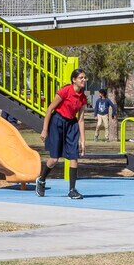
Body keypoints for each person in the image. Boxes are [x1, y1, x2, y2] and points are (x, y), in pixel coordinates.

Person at [36, 68, 88, 199]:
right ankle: (41, 179)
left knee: (73, 156)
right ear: (74, 80)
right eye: (81, 78)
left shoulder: (83, 97)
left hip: (72, 124)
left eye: (85, 78)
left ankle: (72, 190)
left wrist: (83, 140)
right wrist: (45, 129)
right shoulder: (65, 91)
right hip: (57, 122)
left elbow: (81, 119)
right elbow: (50, 109)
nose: (84, 80)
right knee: (54, 159)